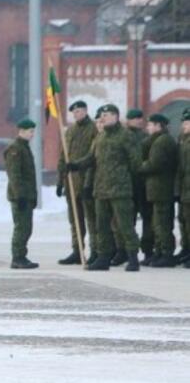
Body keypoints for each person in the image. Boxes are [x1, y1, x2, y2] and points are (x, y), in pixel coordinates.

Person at [67, 104, 142, 271]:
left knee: (125, 225)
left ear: (116, 116)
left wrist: (126, 179)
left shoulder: (126, 136)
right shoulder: (100, 138)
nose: (102, 118)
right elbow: (90, 158)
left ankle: (132, 257)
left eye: (106, 115)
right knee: (101, 226)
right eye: (101, 115)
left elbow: (135, 162)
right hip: (101, 189)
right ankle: (103, 258)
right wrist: (74, 166)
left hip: (120, 189)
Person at [56, 101, 97, 265]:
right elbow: (63, 156)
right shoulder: (70, 130)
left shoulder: (93, 129)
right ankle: (77, 250)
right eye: (74, 112)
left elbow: (93, 158)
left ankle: (96, 251)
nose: (76, 114)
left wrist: (88, 182)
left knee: (91, 219)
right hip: (71, 183)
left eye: (79, 111)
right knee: (75, 220)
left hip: (86, 181)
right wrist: (60, 181)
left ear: (86, 111)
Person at [138, 113, 178, 267]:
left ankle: (167, 253)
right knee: (157, 223)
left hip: (162, 188)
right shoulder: (158, 140)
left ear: (158, 126)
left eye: (150, 125)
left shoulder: (162, 142)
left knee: (162, 223)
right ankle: (159, 252)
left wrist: (138, 167)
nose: (148, 127)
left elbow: (154, 164)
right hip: (157, 189)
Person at [5, 119, 39, 269]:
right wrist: (20, 196)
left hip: (27, 195)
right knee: (22, 227)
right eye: (30, 131)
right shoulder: (15, 149)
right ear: (22, 131)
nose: (33, 134)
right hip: (20, 196)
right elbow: (14, 175)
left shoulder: (24, 147)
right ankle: (18, 258)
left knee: (26, 227)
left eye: (33, 131)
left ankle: (21, 256)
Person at [125, 109, 152, 265]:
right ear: (128, 120)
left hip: (143, 184)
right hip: (128, 183)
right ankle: (127, 251)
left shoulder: (145, 137)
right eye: (135, 119)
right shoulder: (124, 136)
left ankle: (148, 250)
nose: (138, 121)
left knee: (147, 219)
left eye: (140, 119)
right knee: (128, 220)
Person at [176, 108, 190, 268]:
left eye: (187, 123)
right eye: (183, 123)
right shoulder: (182, 139)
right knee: (184, 220)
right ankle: (186, 249)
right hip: (184, 188)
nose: (184, 126)